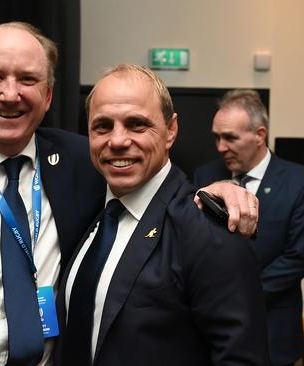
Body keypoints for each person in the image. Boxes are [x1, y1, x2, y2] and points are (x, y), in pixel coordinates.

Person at [0, 22, 258, 366]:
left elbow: (154, 181)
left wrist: (220, 189)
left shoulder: (83, 160)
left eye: (28, 79)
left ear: (47, 95)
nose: (10, 94)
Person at [55, 64, 268, 365]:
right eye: (102, 126)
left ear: (171, 131)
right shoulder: (88, 210)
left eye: (137, 124)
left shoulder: (207, 231)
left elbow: (242, 359)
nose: (117, 141)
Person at [194, 89, 304, 366]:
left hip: (272, 324)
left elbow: (298, 257)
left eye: (230, 137)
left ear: (260, 135)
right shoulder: (205, 176)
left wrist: (241, 295)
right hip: (211, 328)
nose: (220, 147)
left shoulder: (301, 182)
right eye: (217, 137)